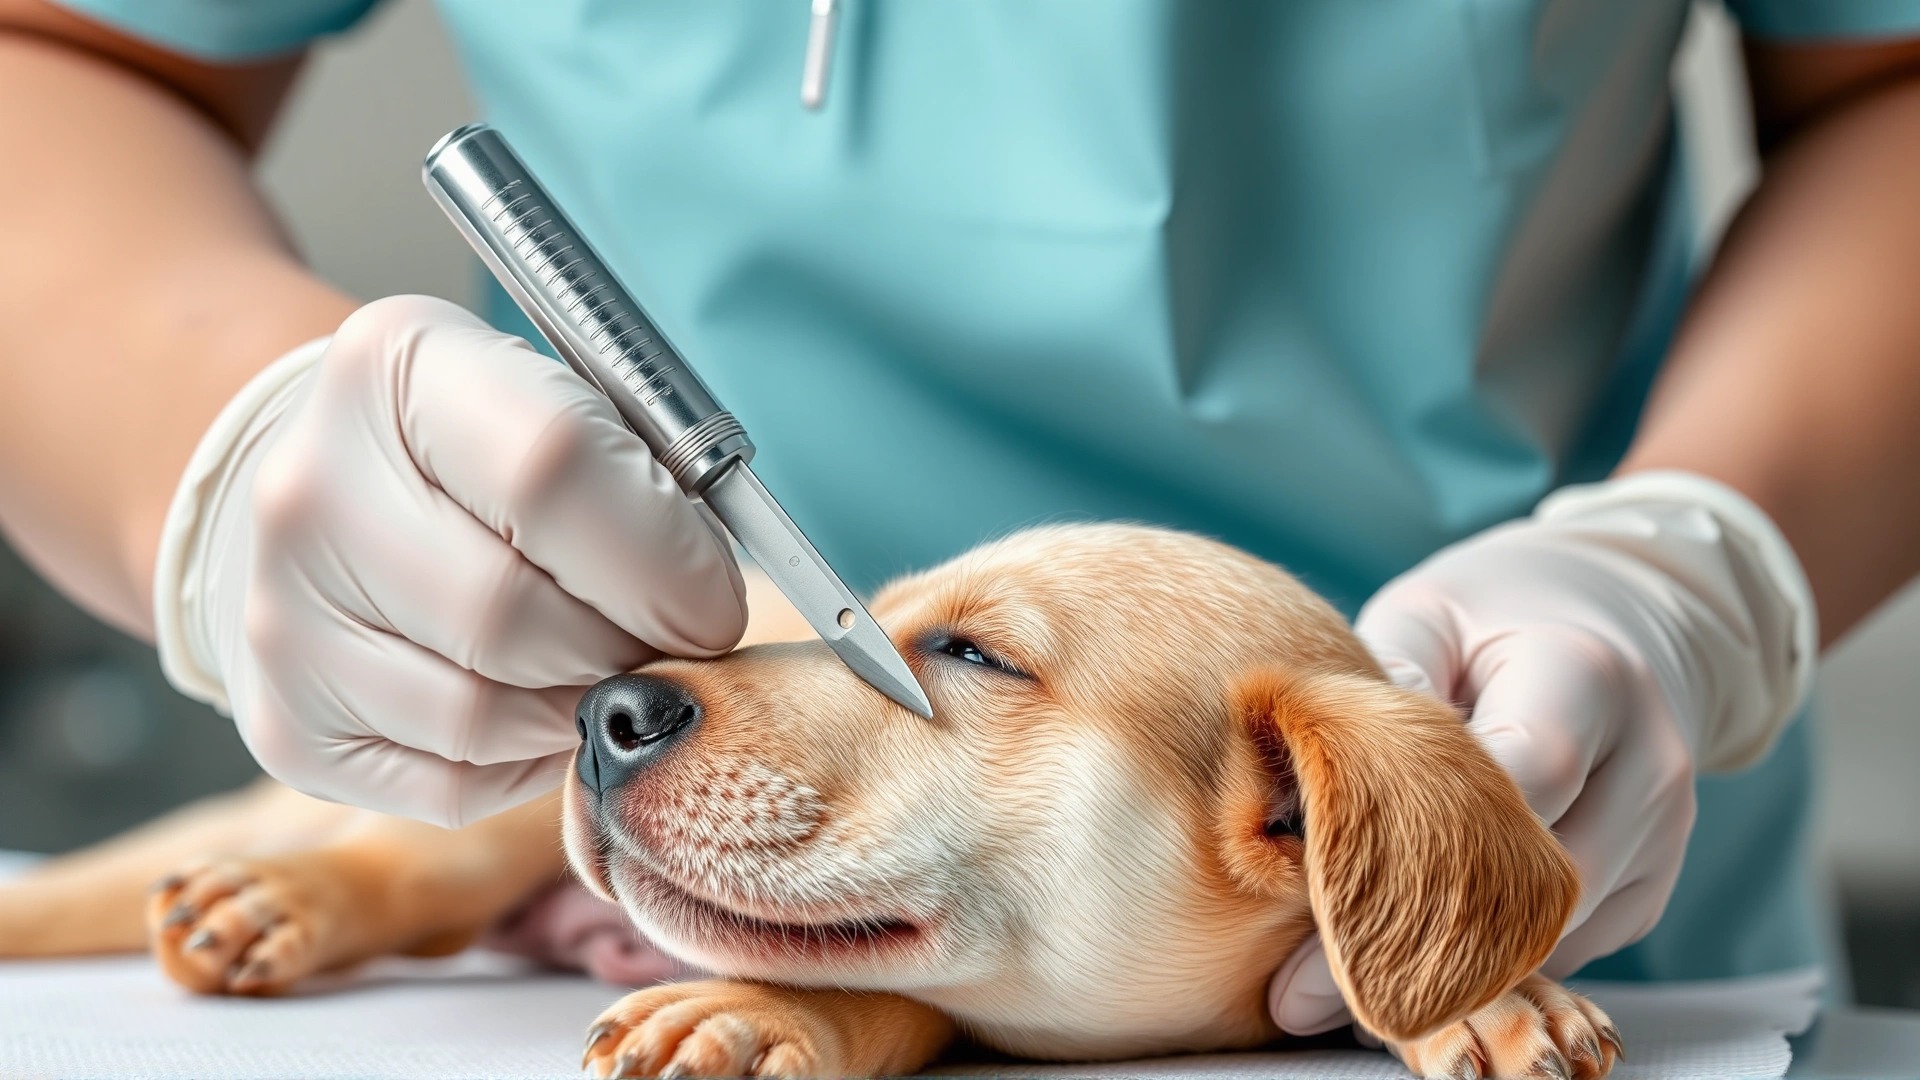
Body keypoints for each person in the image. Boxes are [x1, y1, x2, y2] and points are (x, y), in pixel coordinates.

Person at [2, 0, 1918, 1039]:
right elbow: (73, 48)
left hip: (1565, 859)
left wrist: (1701, 553)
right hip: (596, 927)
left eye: (966, 652)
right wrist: (216, 433)